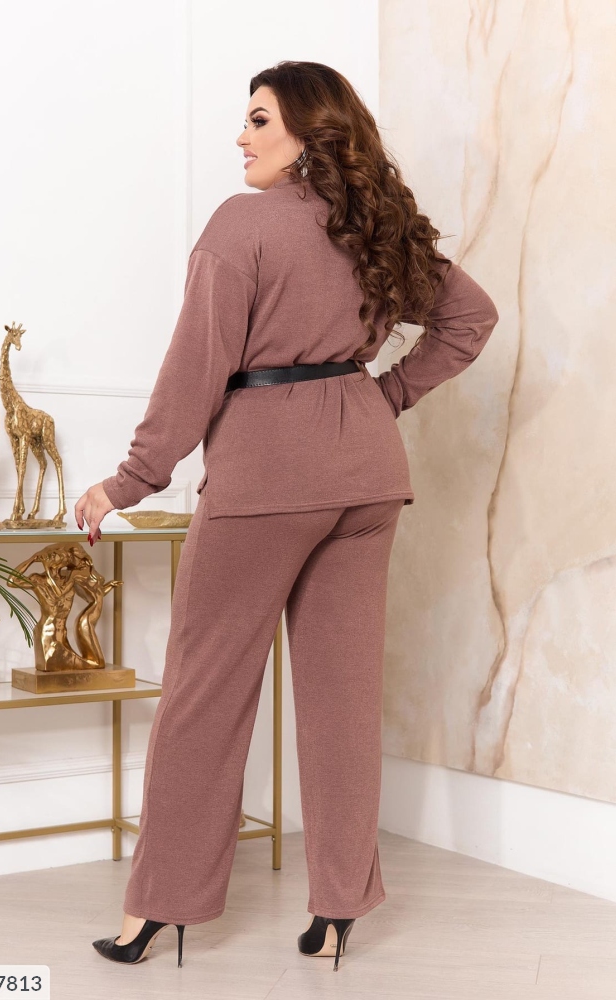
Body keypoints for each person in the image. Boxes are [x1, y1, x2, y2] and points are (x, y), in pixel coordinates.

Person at [77, 60, 499, 971]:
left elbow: (194, 369)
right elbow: (473, 318)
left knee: (204, 694)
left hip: (267, 481)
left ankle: (159, 909)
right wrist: (380, 397)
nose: (242, 136)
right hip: (367, 480)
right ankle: (338, 910)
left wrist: (128, 481)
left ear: (310, 132)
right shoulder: (375, 227)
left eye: (260, 119)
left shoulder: (244, 224)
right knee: (342, 702)